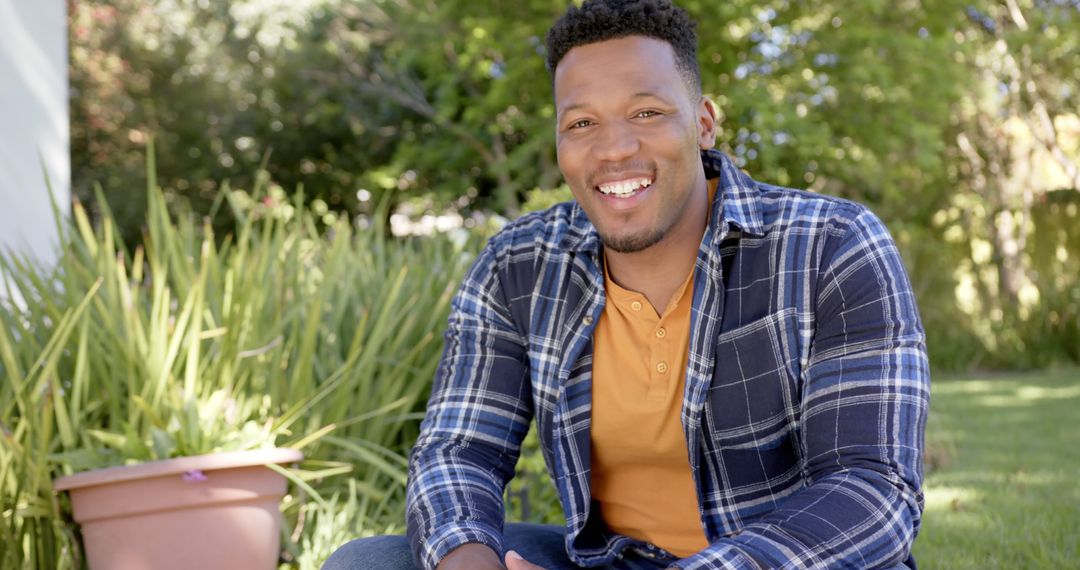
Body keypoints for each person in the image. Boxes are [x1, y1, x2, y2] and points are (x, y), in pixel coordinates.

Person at [324, 0, 929, 568]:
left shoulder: (833, 243)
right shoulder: (518, 264)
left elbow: (873, 488)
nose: (614, 149)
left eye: (646, 112)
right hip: (608, 559)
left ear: (703, 123)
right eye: (582, 121)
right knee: (365, 563)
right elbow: (460, 451)